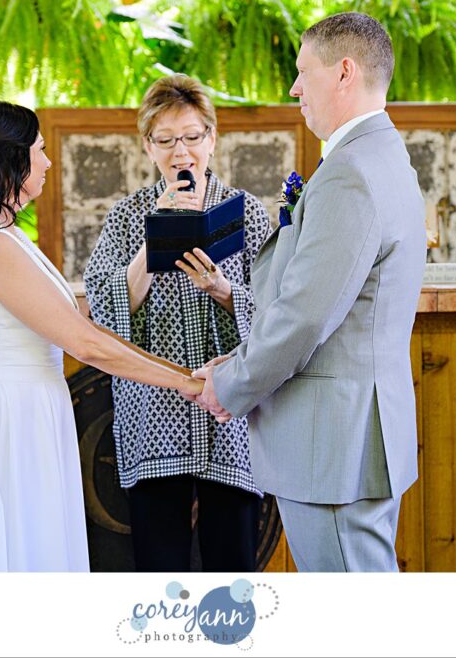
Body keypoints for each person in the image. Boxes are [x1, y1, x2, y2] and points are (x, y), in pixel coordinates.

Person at [0, 98, 203, 572]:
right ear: (9, 162)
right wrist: (190, 382)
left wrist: (184, 372)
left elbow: (83, 326)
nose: (47, 160)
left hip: (25, 408)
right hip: (6, 420)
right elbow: (85, 344)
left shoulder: (7, 234)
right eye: (38, 150)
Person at [190, 12, 426, 572]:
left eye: (303, 72)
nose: (294, 88)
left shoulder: (350, 172)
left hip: (333, 444)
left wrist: (230, 384)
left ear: (344, 72)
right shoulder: (384, 156)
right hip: (351, 430)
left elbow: (304, 316)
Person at [83, 74, 272, 572]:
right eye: (165, 141)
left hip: (230, 413)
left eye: (191, 137)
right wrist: (154, 240)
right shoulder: (126, 217)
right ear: (148, 146)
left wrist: (223, 291)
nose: (180, 153)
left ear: (212, 137)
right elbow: (102, 308)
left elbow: (282, 311)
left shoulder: (247, 214)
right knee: (158, 563)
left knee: (232, 563)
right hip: (153, 414)